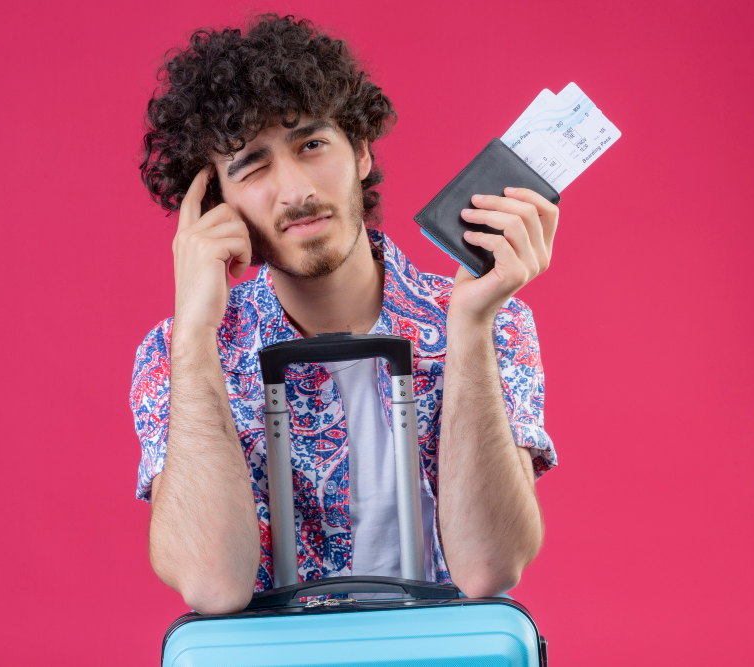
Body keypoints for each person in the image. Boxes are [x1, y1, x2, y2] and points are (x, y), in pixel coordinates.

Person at [130, 13, 559, 615]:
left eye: (312, 144)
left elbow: (490, 566)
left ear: (360, 150)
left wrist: (469, 328)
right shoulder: (175, 352)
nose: (296, 189)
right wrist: (197, 335)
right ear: (215, 205)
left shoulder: (494, 323)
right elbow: (211, 583)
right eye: (252, 164)